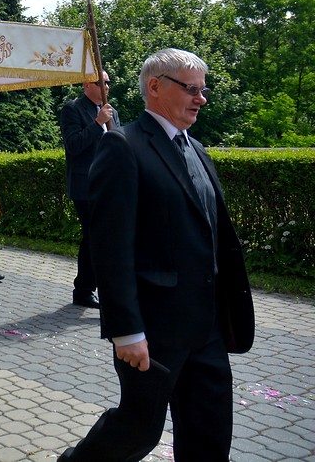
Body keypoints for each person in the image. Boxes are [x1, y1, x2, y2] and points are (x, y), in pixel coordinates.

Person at [59, 48, 254, 462]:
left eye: (203, 90)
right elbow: (110, 247)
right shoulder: (122, 146)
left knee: (209, 433)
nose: (201, 99)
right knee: (137, 430)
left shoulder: (197, 149)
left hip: (207, 325)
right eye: (192, 89)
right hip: (155, 327)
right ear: (155, 87)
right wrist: (126, 330)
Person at [61, 70, 120, 308]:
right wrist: (98, 123)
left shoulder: (112, 111)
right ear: (87, 85)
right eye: (101, 82)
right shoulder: (73, 109)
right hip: (85, 185)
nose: (106, 87)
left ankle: (89, 288)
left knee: (102, 237)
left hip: (109, 184)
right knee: (94, 236)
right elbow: (73, 145)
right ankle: (85, 289)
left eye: (108, 82)